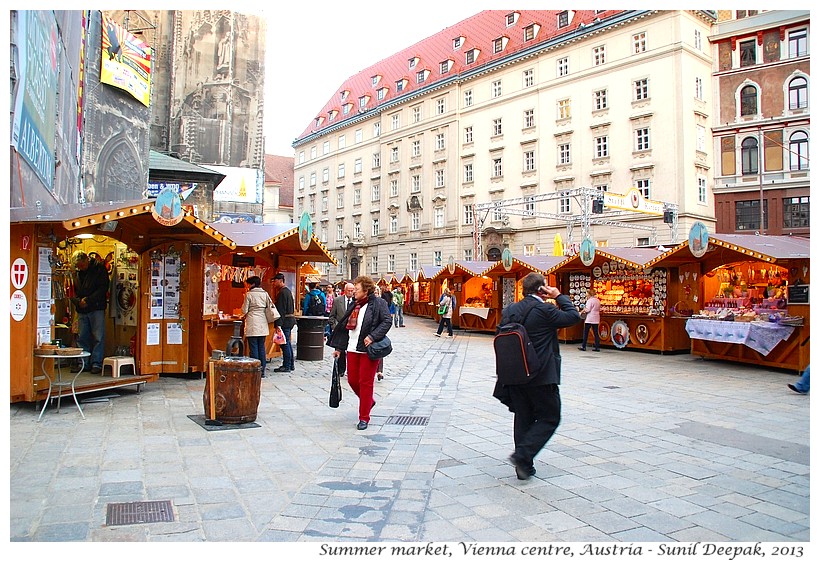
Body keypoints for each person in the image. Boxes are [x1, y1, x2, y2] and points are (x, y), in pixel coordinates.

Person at [495, 272, 581, 480]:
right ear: (541, 290)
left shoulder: (510, 310)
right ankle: (522, 456)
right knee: (550, 416)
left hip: (515, 374)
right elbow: (573, 316)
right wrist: (559, 295)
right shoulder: (545, 310)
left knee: (523, 417)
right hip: (541, 375)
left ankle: (524, 466)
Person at [327, 275, 392, 430]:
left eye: (357, 289)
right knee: (352, 380)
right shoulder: (355, 304)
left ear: (366, 289)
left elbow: (387, 321)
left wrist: (372, 336)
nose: (354, 291)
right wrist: (338, 348)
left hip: (368, 349)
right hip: (352, 347)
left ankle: (364, 417)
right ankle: (368, 401)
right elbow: (343, 327)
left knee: (365, 382)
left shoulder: (378, 303)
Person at [70, 251, 110, 374]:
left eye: (82, 265)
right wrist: (77, 302)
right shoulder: (76, 272)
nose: (80, 268)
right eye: (78, 266)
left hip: (96, 307)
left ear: (87, 259)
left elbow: (103, 288)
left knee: (98, 336)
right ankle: (83, 363)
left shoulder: (99, 269)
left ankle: (96, 363)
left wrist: (88, 300)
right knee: (82, 337)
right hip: (82, 308)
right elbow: (71, 290)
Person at [240, 276, 275, 376]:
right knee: (261, 347)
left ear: (252, 284)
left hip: (252, 323)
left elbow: (244, 310)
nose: (247, 286)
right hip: (263, 323)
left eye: (248, 284)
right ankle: (262, 370)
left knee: (253, 347)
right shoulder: (265, 294)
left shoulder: (249, 295)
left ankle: (255, 369)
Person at [328, 282, 355, 376]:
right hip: (340, 331)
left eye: (352, 291)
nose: (350, 293)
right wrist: (335, 327)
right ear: (345, 290)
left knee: (351, 351)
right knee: (340, 351)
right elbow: (332, 316)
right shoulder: (337, 300)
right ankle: (340, 370)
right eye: (349, 290)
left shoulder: (356, 302)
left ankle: (351, 370)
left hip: (352, 331)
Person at [272, 273, 296, 372]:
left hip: (285, 321)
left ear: (280, 280)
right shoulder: (287, 291)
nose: (274, 283)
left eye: (275, 281)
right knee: (287, 343)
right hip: (289, 320)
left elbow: (281, 310)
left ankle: (286, 365)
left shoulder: (282, 293)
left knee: (284, 344)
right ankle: (290, 364)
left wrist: (278, 324)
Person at [577, 287, 601, 352]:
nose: (586, 295)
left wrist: (582, 311)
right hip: (596, 318)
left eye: (587, 294)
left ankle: (583, 346)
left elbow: (588, 309)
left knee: (586, 332)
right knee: (596, 332)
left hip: (590, 318)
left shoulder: (590, 301)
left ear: (589, 294)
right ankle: (597, 346)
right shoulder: (597, 300)